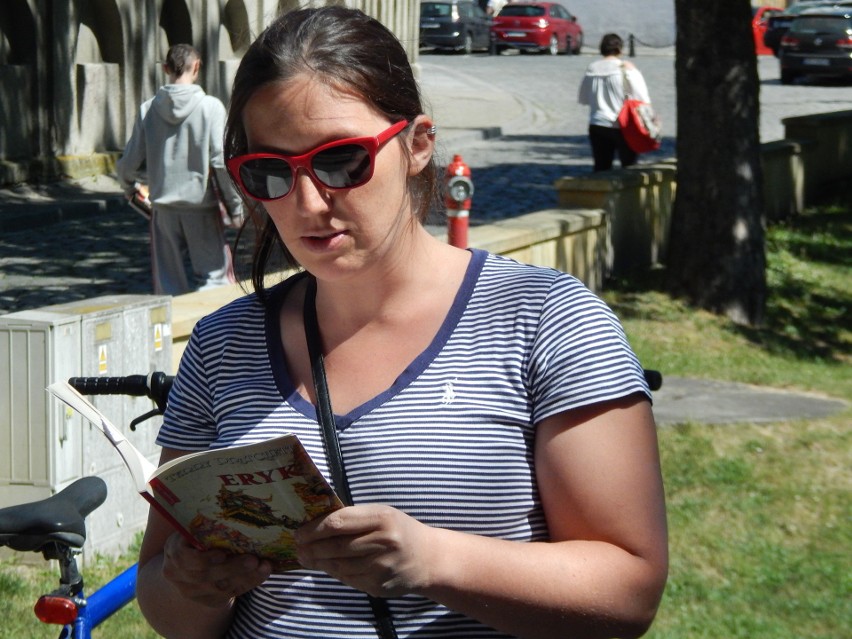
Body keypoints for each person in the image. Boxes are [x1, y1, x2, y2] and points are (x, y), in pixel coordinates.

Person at [136, 7, 668, 639]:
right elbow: (170, 611)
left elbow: (629, 589)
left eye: (341, 162)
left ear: (416, 145)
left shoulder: (548, 319)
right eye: (270, 173)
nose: (308, 204)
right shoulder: (223, 345)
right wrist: (189, 585)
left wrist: (433, 560)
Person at [116, 43, 243, 296]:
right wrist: (236, 206)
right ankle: (213, 333)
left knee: (168, 284)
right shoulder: (211, 108)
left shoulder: (148, 109)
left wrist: (128, 186)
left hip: (163, 209)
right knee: (216, 280)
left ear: (165, 69)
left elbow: (129, 161)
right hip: (202, 206)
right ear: (196, 67)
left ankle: (171, 333)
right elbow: (219, 161)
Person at [578, 33, 653, 172]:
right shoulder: (627, 69)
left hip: (597, 124)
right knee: (629, 168)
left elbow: (583, 98)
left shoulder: (592, 68)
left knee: (601, 169)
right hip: (623, 125)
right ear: (620, 49)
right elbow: (643, 98)